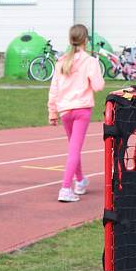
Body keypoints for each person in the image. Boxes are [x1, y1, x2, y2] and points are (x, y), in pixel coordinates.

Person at [47, 24, 105, 203]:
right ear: (86, 40)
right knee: (74, 149)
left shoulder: (61, 61)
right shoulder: (90, 61)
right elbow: (98, 86)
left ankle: (80, 181)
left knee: (74, 147)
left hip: (65, 110)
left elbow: (54, 89)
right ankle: (65, 188)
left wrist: (52, 111)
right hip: (81, 110)